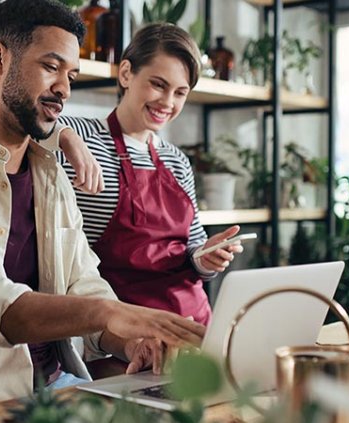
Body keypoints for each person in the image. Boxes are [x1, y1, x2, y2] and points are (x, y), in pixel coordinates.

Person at [0, 2, 205, 422]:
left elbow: (83, 283)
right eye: (51, 67)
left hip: (58, 394)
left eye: (71, 75)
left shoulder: (50, 173)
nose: (64, 89)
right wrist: (111, 312)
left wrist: (129, 342)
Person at [56, 23, 243, 326]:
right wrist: (64, 136)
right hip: (122, 330)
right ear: (127, 73)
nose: (167, 103)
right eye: (158, 84)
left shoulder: (177, 160)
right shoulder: (82, 137)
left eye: (180, 93)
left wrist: (207, 257)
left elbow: (192, 252)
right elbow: (26, 126)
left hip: (193, 323)